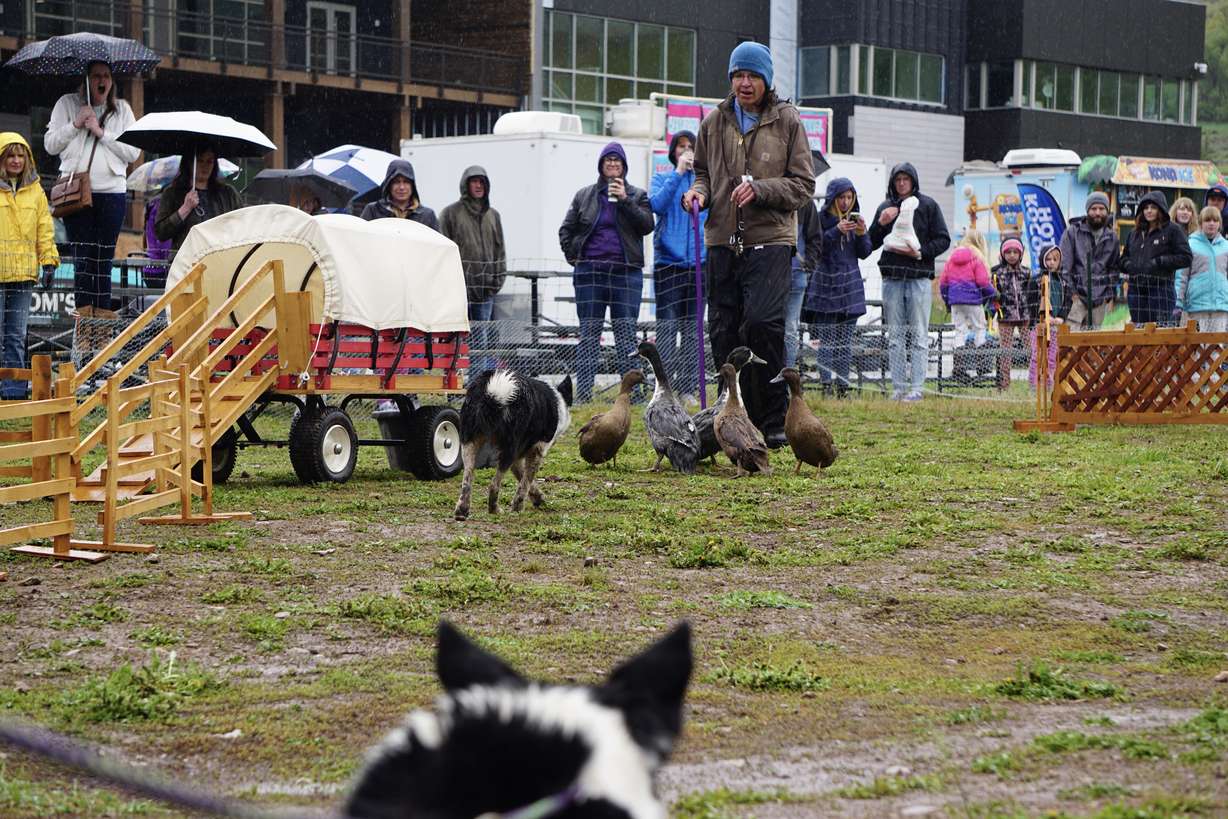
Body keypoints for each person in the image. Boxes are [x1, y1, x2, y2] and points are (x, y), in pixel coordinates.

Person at [682, 42, 815, 445]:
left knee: (760, 324)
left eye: (752, 76)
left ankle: (772, 417)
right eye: (738, 75)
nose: (743, 83)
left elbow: (804, 185)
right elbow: (703, 172)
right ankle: (731, 420)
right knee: (723, 330)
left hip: (770, 240)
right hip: (722, 238)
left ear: (766, 81)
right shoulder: (713, 122)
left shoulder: (787, 121)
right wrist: (698, 194)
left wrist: (761, 189)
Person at [558, 142, 654, 404]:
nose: (612, 165)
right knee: (589, 335)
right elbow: (566, 229)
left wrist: (624, 201)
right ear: (601, 166)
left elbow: (647, 225)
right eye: (608, 161)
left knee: (625, 336)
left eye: (617, 161)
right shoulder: (584, 196)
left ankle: (631, 394)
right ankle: (584, 396)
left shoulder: (637, 195)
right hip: (590, 274)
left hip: (625, 274)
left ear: (624, 167)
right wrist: (575, 259)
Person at [44, 60, 138, 319]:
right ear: (86, 79)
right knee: (83, 262)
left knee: (103, 262)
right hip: (75, 192)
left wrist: (101, 132)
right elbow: (50, 144)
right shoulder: (67, 103)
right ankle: (84, 331)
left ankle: (102, 333)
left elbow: (132, 151)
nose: (103, 81)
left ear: (112, 81)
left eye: (107, 76)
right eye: (97, 75)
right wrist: (75, 124)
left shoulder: (122, 110)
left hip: (112, 193)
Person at [867, 163, 950, 401]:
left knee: (919, 335)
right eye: (897, 180)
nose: (901, 183)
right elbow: (871, 243)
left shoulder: (928, 206)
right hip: (892, 278)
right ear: (893, 183)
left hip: (919, 279)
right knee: (895, 336)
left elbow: (943, 239)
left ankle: (917, 388)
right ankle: (899, 387)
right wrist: (881, 223)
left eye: (906, 179)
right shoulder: (886, 207)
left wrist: (921, 252)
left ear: (913, 181)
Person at [0, 134, 58, 399]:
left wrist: (48, 262)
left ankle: (13, 391)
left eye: (20, 156)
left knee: (15, 335)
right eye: (10, 155)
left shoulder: (36, 191)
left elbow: (45, 229)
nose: (15, 160)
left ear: (27, 160)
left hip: (23, 275)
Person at [649, 130, 706, 400]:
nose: (687, 151)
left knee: (693, 330)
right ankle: (664, 386)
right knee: (667, 328)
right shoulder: (662, 178)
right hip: (668, 264)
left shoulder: (704, 184)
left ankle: (687, 387)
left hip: (698, 263)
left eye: (691, 147)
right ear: (673, 152)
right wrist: (678, 174)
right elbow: (657, 205)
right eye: (682, 147)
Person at [802, 177, 868, 397]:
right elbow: (816, 246)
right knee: (827, 342)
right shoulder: (821, 218)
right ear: (833, 198)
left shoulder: (854, 220)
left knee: (845, 343)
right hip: (825, 286)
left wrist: (862, 233)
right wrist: (836, 231)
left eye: (850, 197)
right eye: (842, 197)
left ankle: (843, 387)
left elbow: (865, 252)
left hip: (850, 288)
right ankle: (826, 386)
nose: (846, 202)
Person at [440, 166, 507, 375]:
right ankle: (452, 385)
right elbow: (443, 250)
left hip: (485, 291)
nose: (478, 186)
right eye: (474, 181)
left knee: (481, 342)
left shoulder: (493, 215)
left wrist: (496, 282)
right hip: (458, 291)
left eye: (482, 181)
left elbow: (500, 250)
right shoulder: (450, 213)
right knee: (454, 340)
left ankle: (476, 387)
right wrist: (451, 284)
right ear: (465, 184)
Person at [1119, 190, 1191, 327]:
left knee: (1159, 335)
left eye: (1153, 207)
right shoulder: (1134, 233)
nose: (1149, 211)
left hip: (1161, 291)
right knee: (1139, 336)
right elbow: (1122, 259)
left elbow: (1186, 257)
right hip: (1136, 291)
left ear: (1161, 209)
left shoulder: (1173, 230)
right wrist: (1129, 265)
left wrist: (1160, 262)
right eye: (1145, 208)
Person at [155, 146, 242, 255]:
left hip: (221, 258)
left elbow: (241, 225)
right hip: (186, 262)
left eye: (209, 161)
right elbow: (161, 233)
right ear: (189, 163)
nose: (205, 166)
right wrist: (185, 209)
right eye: (200, 160)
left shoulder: (228, 194)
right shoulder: (172, 193)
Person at [1057, 191, 1120, 331]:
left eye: (1101, 209)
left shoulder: (1112, 237)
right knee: (1071, 340)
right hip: (1076, 297)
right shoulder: (1072, 233)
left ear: (1107, 211)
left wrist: (1108, 294)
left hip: (1100, 298)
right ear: (1087, 211)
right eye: (1093, 209)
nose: (1097, 213)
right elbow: (1064, 266)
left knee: (1092, 343)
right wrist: (1071, 292)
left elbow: (1114, 268)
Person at [990, 237, 1038, 391]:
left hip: (1025, 317)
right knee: (1005, 351)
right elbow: (993, 295)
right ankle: (1004, 385)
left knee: (1032, 349)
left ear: (1021, 254)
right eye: (1008, 252)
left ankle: (1035, 381)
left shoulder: (1027, 273)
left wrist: (1033, 314)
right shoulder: (997, 273)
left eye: (1015, 252)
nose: (1011, 255)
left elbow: (1032, 294)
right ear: (1003, 254)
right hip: (1005, 317)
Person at [940, 228, 997, 348]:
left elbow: (943, 283)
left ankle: (960, 361)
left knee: (959, 330)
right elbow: (983, 281)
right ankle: (981, 360)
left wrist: (947, 301)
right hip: (973, 301)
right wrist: (994, 293)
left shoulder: (951, 259)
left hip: (955, 301)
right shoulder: (976, 258)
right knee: (979, 328)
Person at [1175, 206, 1228, 333]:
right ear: (1200, 223)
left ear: (1219, 224)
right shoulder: (1190, 244)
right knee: (1198, 346)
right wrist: (1178, 302)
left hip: (1221, 304)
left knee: (1217, 347)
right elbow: (1182, 276)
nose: (1211, 224)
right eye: (1207, 220)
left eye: (1215, 221)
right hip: (1197, 304)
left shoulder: (1226, 246)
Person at [784, 196, 822, 371]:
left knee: (790, 329)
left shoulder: (806, 204)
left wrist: (808, 263)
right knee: (774, 327)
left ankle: (787, 377)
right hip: (771, 274)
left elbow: (815, 237)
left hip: (796, 274)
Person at [360, 160, 438, 230]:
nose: (401, 187)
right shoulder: (373, 210)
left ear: (412, 185)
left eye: (406, 182)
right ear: (389, 185)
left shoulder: (427, 215)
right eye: (396, 182)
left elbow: (438, 244)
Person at [1030, 244, 1063, 390]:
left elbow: (1067, 301)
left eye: (1055, 259)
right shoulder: (1036, 280)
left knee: (1052, 357)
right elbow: (1030, 302)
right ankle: (1035, 385)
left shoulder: (1063, 281)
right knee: (1037, 356)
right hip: (1039, 326)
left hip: (1056, 325)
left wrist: (1061, 317)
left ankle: (1050, 386)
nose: (1051, 262)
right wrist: (1042, 317)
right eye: (1048, 259)